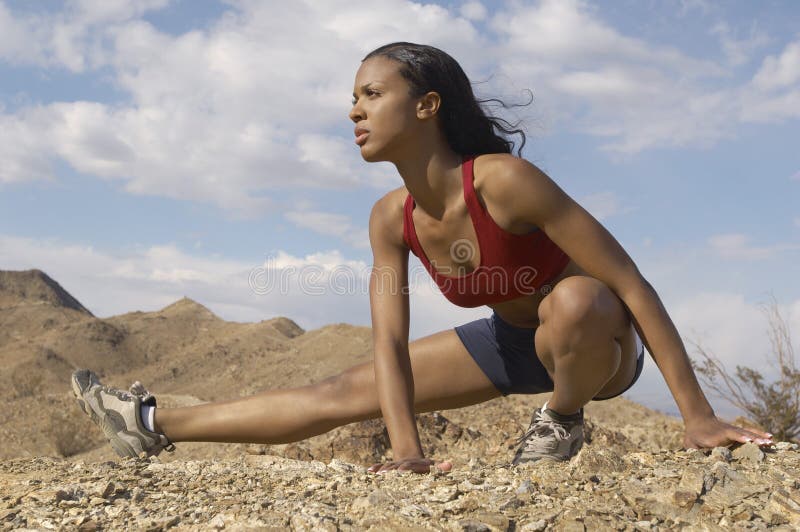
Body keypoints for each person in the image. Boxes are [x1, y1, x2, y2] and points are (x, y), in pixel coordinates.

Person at [71, 42, 773, 474]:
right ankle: (151, 424)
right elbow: (390, 345)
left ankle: (561, 419)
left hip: (598, 347)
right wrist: (404, 449)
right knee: (342, 392)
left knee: (577, 299)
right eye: (353, 98)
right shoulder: (389, 219)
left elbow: (633, 285)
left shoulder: (503, 180)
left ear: (428, 105)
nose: (355, 111)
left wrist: (697, 416)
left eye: (372, 95)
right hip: (510, 342)